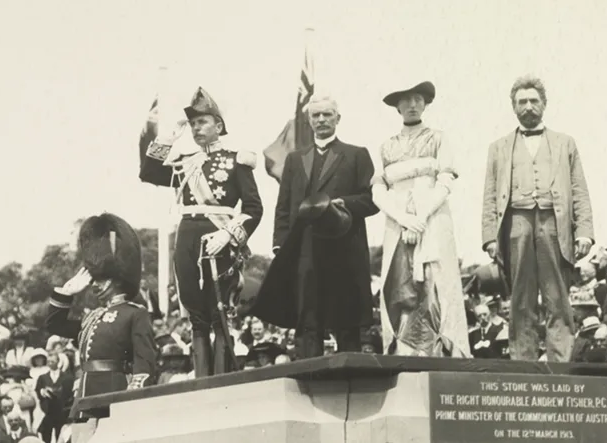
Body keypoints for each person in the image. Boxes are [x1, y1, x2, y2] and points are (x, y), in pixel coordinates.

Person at [141, 87, 263, 377]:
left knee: (219, 313)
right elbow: (148, 172)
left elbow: (254, 208)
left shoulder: (237, 161)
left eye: (202, 122)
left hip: (218, 240)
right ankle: (201, 383)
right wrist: (168, 136)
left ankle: (220, 382)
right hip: (187, 241)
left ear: (218, 125)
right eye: (193, 124)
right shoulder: (186, 162)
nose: (196, 128)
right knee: (196, 317)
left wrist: (230, 235)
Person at [249, 95, 379, 359]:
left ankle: (350, 380)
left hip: (345, 249)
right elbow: (283, 205)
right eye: (316, 115)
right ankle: (307, 381)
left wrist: (344, 203)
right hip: (305, 248)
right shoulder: (295, 160)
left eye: (327, 114)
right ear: (309, 121)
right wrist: (280, 242)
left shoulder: (356, 155)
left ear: (338, 119)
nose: (321, 120)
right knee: (307, 317)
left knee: (347, 319)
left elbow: (371, 200)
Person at [480, 75, 595, 362]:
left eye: (533, 100)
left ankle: (561, 365)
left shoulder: (565, 143)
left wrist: (584, 231)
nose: (528, 106)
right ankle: (523, 364)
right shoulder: (499, 147)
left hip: (554, 224)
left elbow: (579, 189)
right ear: (513, 107)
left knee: (557, 297)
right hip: (516, 224)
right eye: (522, 102)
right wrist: (489, 238)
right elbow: (490, 194)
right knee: (520, 298)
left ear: (544, 104)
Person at [371, 80, 470, 357]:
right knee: (399, 281)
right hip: (397, 222)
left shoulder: (438, 138)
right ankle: (403, 352)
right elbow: (378, 192)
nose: (412, 105)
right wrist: (404, 218)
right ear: (397, 106)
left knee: (434, 280)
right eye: (406, 100)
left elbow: (445, 182)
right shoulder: (386, 147)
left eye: (417, 99)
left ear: (425, 103)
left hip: (433, 219)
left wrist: (422, 217)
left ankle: (440, 352)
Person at [44, 213, 158, 443]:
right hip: (84, 399)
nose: (94, 285)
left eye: (100, 279)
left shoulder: (135, 313)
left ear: (117, 278)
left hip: (115, 397)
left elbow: (145, 363)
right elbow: (53, 324)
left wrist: (132, 399)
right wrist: (66, 292)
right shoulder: (91, 318)